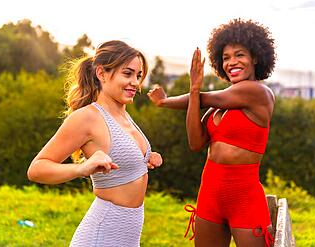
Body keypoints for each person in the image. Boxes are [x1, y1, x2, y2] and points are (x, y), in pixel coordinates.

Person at [147, 19, 276, 247]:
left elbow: (203, 99)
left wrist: (166, 101)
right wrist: (194, 91)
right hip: (210, 194)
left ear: (255, 57)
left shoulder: (257, 92)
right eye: (226, 58)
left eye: (240, 55)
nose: (232, 62)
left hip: (244, 197)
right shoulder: (219, 107)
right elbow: (195, 143)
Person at [27, 40, 163, 247]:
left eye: (138, 75)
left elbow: (122, 159)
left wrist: (145, 158)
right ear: (101, 73)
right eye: (127, 74)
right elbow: (36, 169)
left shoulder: (123, 114)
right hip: (101, 236)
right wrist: (81, 169)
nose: (135, 82)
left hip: (128, 237)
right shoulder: (86, 118)